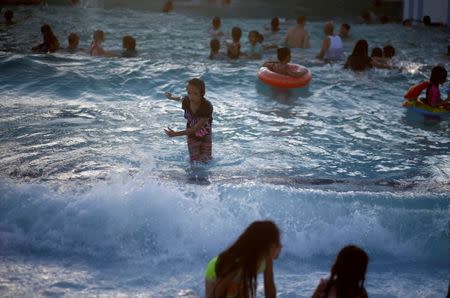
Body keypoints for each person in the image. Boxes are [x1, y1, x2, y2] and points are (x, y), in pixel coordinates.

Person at [204, 220, 282, 298]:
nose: (281, 246)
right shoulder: (238, 262)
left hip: (239, 276)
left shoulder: (267, 259)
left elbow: (269, 286)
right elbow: (217, 293)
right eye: (278, 242)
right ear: (268, 246)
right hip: (216, 270)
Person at [164, 78, 213, 163]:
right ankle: (193, 176)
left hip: (205, 134)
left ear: (202, 94)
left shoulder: (207, 107)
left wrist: (176, 134)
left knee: (207, 160)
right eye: (189, 93)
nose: (191, 96)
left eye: (195, 93)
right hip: (192, 135)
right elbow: (180, 98)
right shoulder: (187, 101)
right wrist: (171, 97)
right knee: (194, 162)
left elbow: (196, 129)